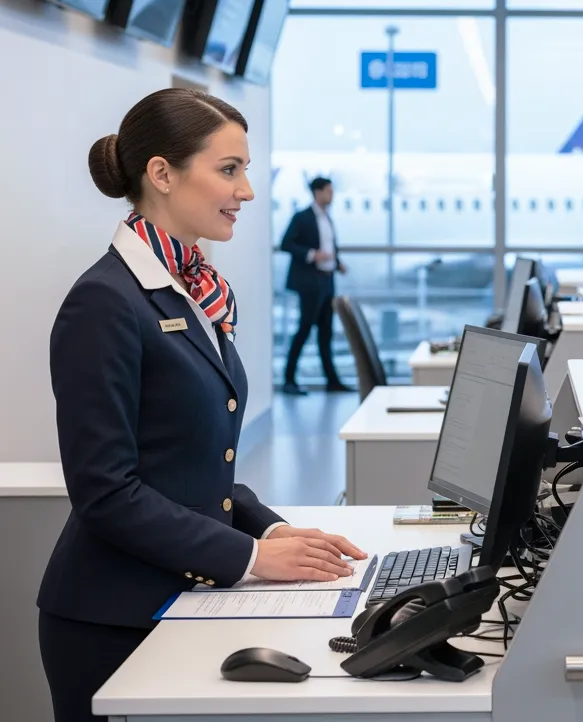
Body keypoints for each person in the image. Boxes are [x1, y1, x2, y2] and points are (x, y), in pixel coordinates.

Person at [40, 89, 366, 722]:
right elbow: (105, 491)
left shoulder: (192, 289)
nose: (245, 191)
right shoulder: (106, 301)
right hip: (112, 619)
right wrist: (250, 557)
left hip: (181, 594)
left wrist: (271, 529)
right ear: (161, 174)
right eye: (228, 169)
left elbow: (187, 467)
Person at [280, 176, 350, 395]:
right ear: (317, 193)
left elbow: (329, 245)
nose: (332, 195)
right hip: (310, 282)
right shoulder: (303, 217)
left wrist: (337, 263)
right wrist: (312, 255)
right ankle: (289, 379)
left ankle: (332, 380)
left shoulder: (327, 218)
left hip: (327, 280)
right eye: (328, 191)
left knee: (326, 332)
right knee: (304, 328)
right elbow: (286, 243)